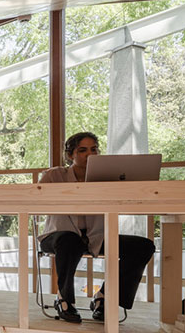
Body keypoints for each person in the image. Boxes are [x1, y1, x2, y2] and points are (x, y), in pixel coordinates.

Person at [38, 131, 156, 323]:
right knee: (70, 240)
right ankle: (64, 298)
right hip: (58, 237)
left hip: (95, 237)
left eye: (94, 149)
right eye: (82, 150)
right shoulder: (54, 175)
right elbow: (37, 200)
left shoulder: (107, 178)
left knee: (143, 246)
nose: (89, 154)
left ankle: (105, 297)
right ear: (70, 155)